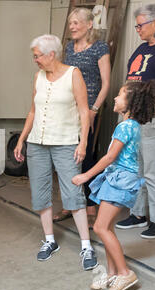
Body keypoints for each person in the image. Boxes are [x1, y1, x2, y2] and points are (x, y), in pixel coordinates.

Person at [14, 34, 97, 270]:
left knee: (73, 193)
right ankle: (50, 240)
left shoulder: (73, 74)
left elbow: (84, 111)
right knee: (40, 192)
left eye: (37, 56)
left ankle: (86, 245)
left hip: (66, 142)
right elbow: (32, 111)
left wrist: (83, 143)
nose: (35, 60)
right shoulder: (38, 76)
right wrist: (22, 139)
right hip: (38, 143)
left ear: (52, 54)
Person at [72, 80, 155, 290]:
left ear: (130, 103)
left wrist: (86, 175)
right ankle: (112, 273)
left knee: (101, 228)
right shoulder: (131, 126)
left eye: (119, 95)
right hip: (119, 179)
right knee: (107, 228)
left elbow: (110, 157)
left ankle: (124, 273)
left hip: (121, 181)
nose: (114, 98)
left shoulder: (125, 126)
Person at [115, 4, 155, 239]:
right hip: (136, 117)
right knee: (136, 166)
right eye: (136, 25)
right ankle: (138, 214)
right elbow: (130, 81)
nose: (138, 29)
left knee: (152, 169)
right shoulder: (140, 49)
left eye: (141, 25)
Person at [53, 7, 111, 227]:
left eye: (77, 23)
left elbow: (105, 83)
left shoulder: (99, 47)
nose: (72, 27)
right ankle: (69, 204)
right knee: (66, 156)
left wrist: (94, 110)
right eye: (71, 23)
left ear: (89, 25)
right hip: (67, 110)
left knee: (85, 157)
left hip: (88, 110)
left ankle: (89, 207)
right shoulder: (68, 47)